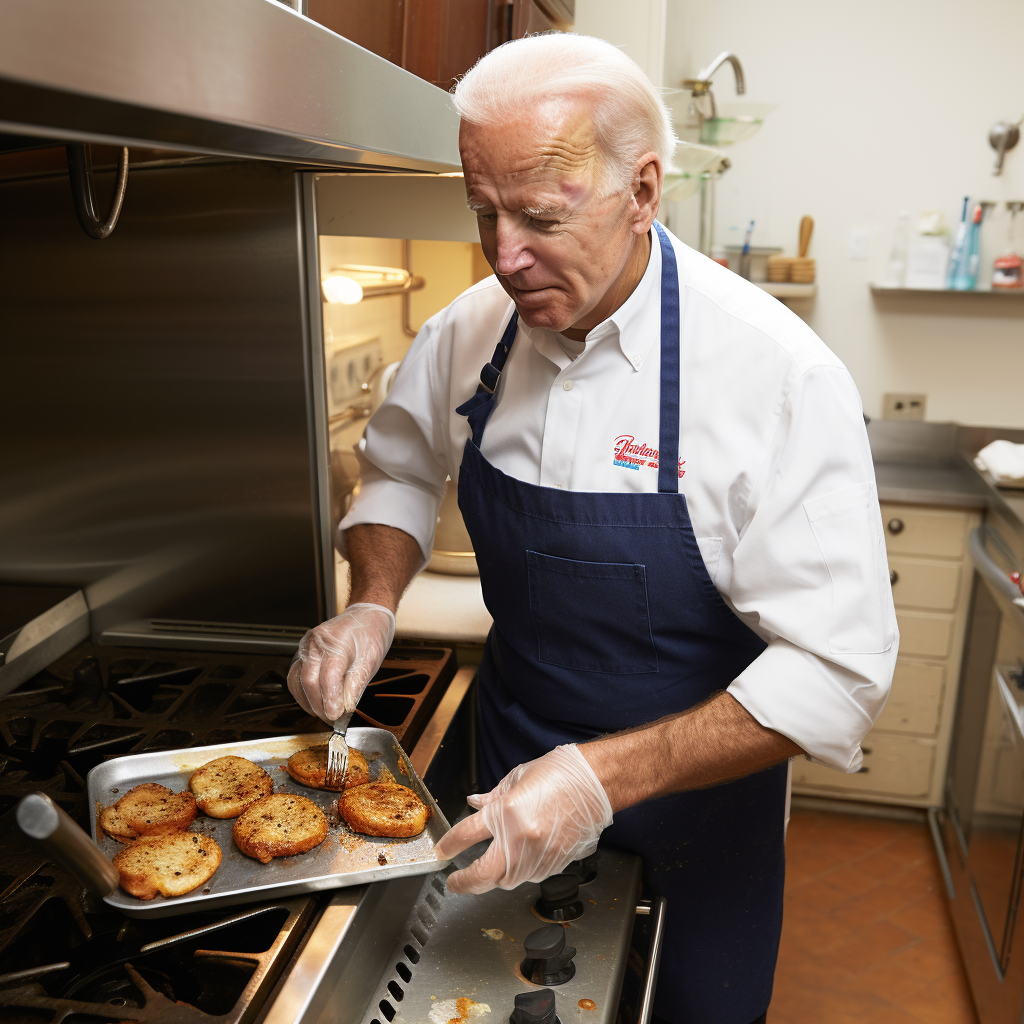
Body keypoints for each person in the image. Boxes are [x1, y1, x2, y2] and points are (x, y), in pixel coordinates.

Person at [288, 33, 897, 1024]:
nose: (502, 253)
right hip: (507, 795)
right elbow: (398, 469)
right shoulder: (468, 331)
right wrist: (372, 602)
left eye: (539, 216)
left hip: (698, 824)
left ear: (644, 192)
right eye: (482, 211)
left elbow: (840, 670)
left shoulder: (774, 376)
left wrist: (599, 775)